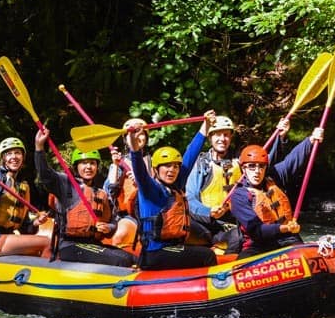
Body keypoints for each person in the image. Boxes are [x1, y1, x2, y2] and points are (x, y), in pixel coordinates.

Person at [126, 110, 218, 270]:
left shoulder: (176, 184)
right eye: (167, 166)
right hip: (154, 253)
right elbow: (139, 170)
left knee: (205, 244)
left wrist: (206, 126)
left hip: (170, 249)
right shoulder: (150, 188)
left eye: (175, 166)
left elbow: (190, 155)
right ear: (156, 169)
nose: (172, 170)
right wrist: (134, 148)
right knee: (207, 255)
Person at [185, 116, 291, 254]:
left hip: (237, 221)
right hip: (208, 224)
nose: (222, 139)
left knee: (241, 235)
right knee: (234, 238)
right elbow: (190, 198)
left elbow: (265, 161)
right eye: (217, 134)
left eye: (226, 135)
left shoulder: (240, 159)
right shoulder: (201, 165)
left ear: (231, 137)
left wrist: (280, 137)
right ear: (210, 137)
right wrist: (208, 212)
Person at [34, 127, 135, 267]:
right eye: (84, 163)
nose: (88, 167)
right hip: (70, 245)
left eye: (92, 163)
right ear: (76, 167)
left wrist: (108, 228)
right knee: (121, 260)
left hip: (92, 244)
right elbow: (45, 175)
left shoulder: (101, 193)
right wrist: (39, 147)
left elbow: (112, 222)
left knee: (131, 258)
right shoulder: (65, 184)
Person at [230, 127, 324, 260]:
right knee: (243, 262)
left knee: (307, 259)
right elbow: (257, 230)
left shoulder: (273, 178)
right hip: (258, 244)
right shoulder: (239, 195)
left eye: (261, 166)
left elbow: (292, 161)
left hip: (287, 239)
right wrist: (285, 227)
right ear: (243, 168)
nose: (257, 171)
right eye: (252, 166)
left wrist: (311, 140)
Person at [104, 118, 151, 253]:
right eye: (132, 133)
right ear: (126, 139)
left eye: (140, 133)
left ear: (146, 138)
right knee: (121, 235)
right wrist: (115, 165)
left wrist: (142, 182)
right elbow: (109, 192)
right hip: (128, 215)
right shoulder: (120, 162)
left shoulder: (152, 161)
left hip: (150, 213)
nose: (136, 136)